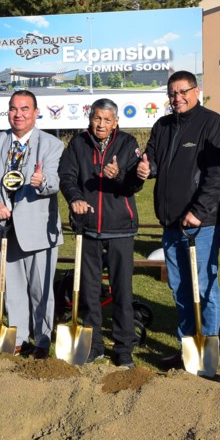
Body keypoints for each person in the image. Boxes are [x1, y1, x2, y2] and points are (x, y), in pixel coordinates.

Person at [136, 70, 220, 367]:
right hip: (172, 222)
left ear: (197, 90)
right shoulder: (162, 125)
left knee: (202, 287)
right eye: (173, 93)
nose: (178, 98)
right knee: (179, 288)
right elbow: (152, 160)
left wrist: (198, 212)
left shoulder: (212, 124)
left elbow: (216, 177)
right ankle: (186, 348)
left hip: (202, 224)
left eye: (183, 91)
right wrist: (145, 170)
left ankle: (207, 351)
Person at [0, 90, 64, 359]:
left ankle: (43, 339)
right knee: (12, 288)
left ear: (36, 112)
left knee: (40, 288)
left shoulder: (52, 145)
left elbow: (55, 182)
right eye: (14, 109)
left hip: (38, 228)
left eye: (25, 109)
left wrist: (42, 182)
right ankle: (19, 337)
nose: (19, 114)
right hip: (3, 226)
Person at [58, 98, 144, 369]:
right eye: (97, 118)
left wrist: (118, 175)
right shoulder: (77, 143)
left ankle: (123, 350)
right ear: (90, 118)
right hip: (88, 227)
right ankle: (94, 346)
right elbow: (67, 176)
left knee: (122, 292)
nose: (102, 124)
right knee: (89, 292)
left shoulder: (128, 143)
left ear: (116, 122)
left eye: (108, 120)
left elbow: (134, 185)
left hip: (120, 229)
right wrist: (74, 199)